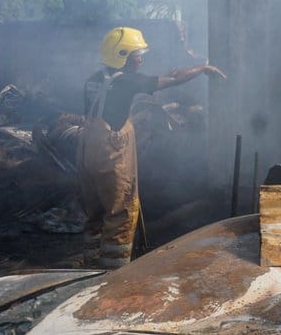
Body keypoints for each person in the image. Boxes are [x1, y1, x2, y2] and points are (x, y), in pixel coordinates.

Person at [78, 27, 225, 269]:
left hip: (87, 152)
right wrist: (202, 69)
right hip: (109, 154)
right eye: (136, 54)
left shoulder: (94, 79)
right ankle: (111, 273)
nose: (140, 59)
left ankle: (90, 266)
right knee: (121, 212)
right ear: (122, 55)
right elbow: (173, 79)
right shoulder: (127, 81)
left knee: (95, 214)